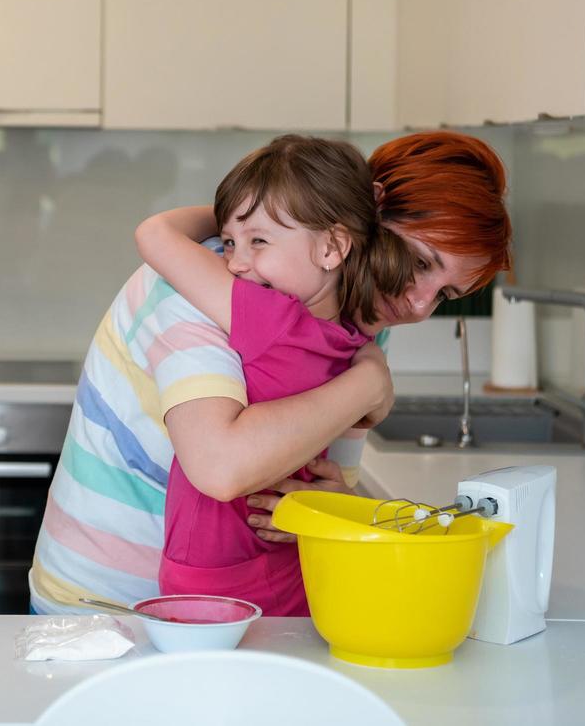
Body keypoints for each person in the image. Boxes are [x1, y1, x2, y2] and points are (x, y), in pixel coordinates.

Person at [28, 131, 511, 614]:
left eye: (445, 294)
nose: (421, 303)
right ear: (369, 214)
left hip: (236, 609)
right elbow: (221, 466)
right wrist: (370, 384)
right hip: (105, 606)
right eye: (423, 262)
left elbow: (318, 466)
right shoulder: (207, 282)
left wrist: (327, 504)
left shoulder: (358, 308)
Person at [135, 136, 415, 615]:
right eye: (228, 242)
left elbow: (155, 233)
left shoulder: (269, 316)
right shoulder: (355, 338)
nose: (236, 263)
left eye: (258, 241)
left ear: (333, 246)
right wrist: (257, 212)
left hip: (221, 567)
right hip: (277, 559)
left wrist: (235, 213)